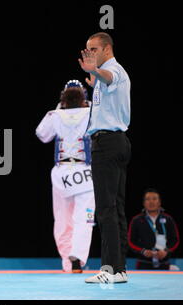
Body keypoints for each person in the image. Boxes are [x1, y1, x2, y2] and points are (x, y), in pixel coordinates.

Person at [79, 32, 132, 284]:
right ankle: (119, 269)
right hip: (115, 143)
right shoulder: (101, 76)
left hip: (108, 144)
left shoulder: (113, 70)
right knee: (116, 208)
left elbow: (110, 77)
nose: (89, 54)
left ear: (107, 50)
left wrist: (97, 73)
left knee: (106, 208)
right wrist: (94, 81)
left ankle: (110, 268)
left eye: (93, 50)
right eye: (87, 50)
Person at [36, 80, 95, 273]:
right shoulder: (91, 112)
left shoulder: (55, 115)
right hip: (84, 173)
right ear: (84, 97)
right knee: (84, 218)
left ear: (63, 97)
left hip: (62, 172)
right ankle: (77, 257)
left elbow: (42, 134)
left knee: (62, 219)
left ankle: (67, 263)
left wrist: (58, 108)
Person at [128, 189, 180, 270]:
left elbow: (175, 240)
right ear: (144, 203)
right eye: (148, 199)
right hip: (143, 264)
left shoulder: (168, 219)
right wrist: (143, 251)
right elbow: (130, 241)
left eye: (154, 199)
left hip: (164, 263)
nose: (151, 202)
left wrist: (166, 251)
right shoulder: (137, 220)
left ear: (159, 202)